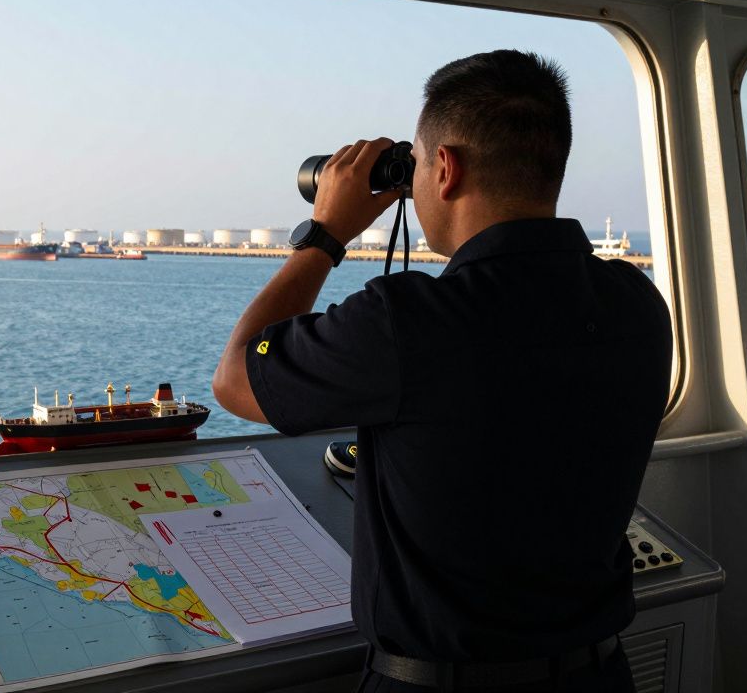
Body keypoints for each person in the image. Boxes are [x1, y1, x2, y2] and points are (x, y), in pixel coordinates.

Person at [211, 50, 672, 693]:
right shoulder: (638, 305)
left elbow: (236, 377)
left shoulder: (409, 324)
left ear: (446, 168)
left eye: (420, 165)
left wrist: (325, 234)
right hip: (596, 674)